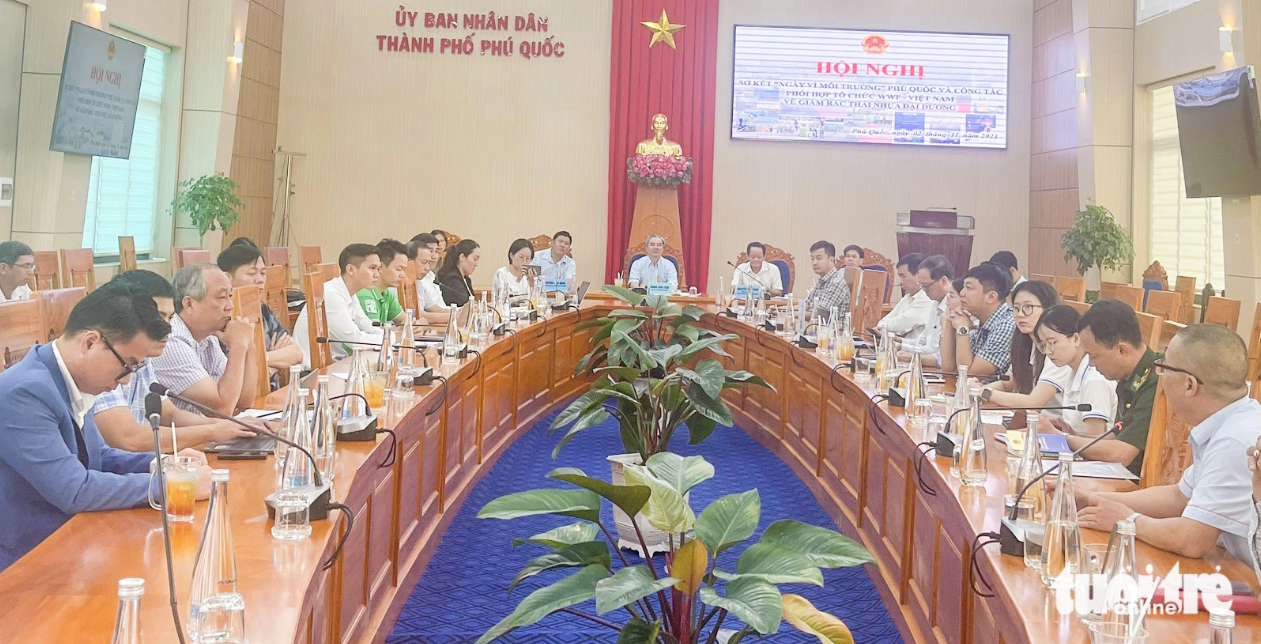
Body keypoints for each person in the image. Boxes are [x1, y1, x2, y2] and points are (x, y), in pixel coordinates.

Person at [0, 282, 211, 571]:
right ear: (90, 342)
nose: (126, 380)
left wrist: (164, 464)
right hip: (27, 563)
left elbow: (101, 457)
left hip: (74, 543)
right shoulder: (24, 393)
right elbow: (74, 489)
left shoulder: (67, 377)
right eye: (128, 364)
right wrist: (173, 486)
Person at [1078, 325, 1261, 566]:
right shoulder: (1234, 418)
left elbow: (1192, 539)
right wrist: (1092, 498)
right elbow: (1179, 496)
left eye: (1163, 368)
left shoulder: (1234, 439)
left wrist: (1128, 520)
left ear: (1189, 385)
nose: (1159, 377)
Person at [91, 270, 257, 453]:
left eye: (170, 318)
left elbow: (170, 414)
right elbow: (129, 439)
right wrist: (213, 430)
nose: (167, 329)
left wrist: (233, 425)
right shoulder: (100, 361)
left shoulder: (145, 358)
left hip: (143, 464)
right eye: (158, 317)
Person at [152, 264, 258, 416]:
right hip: (182, 437)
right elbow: (222, 410)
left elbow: (243, 401)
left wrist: (249, 343)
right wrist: (238, 346)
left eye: (230, 296)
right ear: (189, 304)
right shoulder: (171, 340)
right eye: (222, 297)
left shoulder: (207, 336)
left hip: (205, 434)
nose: (230, 306)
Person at [1073, 299, 1161, 476]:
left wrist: (1064, 440)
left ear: (1122, 350)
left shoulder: (1156, 382)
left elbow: (1121, 454)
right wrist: (1069, 434)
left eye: (1094, 356)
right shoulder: (1130, 376)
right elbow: (1116, 437)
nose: (1090, 364)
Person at [1024, 305, 1118, 437]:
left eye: (1053, 342)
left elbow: (1094, 441)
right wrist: (1067, 430)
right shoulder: (1072, 373)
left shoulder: (1094, 380)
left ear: (1076, 338)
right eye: (1044, 345)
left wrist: (1055, 433)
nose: (1048, 351)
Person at [215, 243, 303, 382]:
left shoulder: (263, 309)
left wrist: (264, 360)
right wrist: (275, 362)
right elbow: (231, 372)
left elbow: (296, 353)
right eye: (251, 273)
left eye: (263, 273)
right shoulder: (220, 318)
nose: (260, 280)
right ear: (227, 278)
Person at [294, 244, 384, 366]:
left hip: (334, 364)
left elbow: (368, 327)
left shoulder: (350, 293)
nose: (377, 275)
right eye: (372, 268)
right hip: (310, 372)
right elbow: (356, 341)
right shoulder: (332, 295)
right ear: (351, 269)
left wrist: (391, 336)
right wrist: (389, 339)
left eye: (378, 269)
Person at [976, 281, 1064, 406]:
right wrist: (977, 389)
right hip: (1033, 421)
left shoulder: (1057, 349)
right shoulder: (1028, 344)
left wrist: (985, 393)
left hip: (1054, 423)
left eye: (1028, 307)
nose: (1020, 314)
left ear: (1048, 308)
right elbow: (1008, 383)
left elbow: (1034, 402)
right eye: (1016, 308)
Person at [941, 263, 1015, 377]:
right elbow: (947, 369)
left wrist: (962, 328)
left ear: (991, 297)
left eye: (969, 288)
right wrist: (950, 321)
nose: (961, 293)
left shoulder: (1006, 326)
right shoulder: (981, 321)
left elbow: (967, 375)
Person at [903, 255, 954, 367]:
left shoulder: (953, 308)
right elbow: (922, 341)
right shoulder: (935, 303)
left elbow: (935, 350)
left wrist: (909, 354)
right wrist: (898, 344)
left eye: (926, 286)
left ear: (944, 281)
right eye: (921, 286)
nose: (924, 291)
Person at [875, 253, 931, 342]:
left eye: (903, 276)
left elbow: (903, 323)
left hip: (915, 352)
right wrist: (881, 326)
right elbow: (886, 319)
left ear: (918, 275)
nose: (900, 282)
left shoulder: (927, 299)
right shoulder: (907, 297)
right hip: (900, 349)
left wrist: (882, 327)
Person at [356, 239, 409, 326]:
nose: (403, 275)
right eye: (399, 269)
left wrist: (416, 325)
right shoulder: (365, 293)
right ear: (380, 267)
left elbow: (406, 321)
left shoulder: (386, 293)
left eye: (404, 270)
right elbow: (374, 331)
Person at [409, 234, 450, 325]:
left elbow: (434, 307)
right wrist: (456, 316)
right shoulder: (397, 285)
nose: (427, 268)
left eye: (437, 251)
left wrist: (458, 313)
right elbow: (419, 315)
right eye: (424, 263)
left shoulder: (418, 281)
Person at [436, 239, 481, 307]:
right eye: (475, 259)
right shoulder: (452, 279)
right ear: (462, 257)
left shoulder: (466, 280)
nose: (476, 264)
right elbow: (465, 304)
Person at [493, 238, 535, 303]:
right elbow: (505, 300)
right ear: (511, 255)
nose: (524, 262)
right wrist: (518, 280)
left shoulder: (527, 276)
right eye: (521, 257)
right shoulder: (501, 273)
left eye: (528, 259)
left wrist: (532, 285)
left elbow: (533, 301)